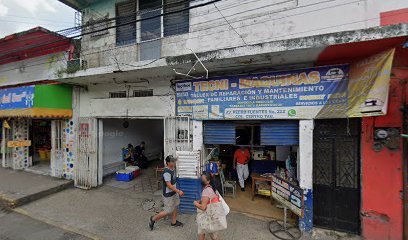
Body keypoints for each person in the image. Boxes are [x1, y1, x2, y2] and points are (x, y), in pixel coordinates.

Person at [149, 156, 184, 230]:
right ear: (168, 163)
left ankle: (173, 222)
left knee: (175, 206)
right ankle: (153, 219)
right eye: (172, 161)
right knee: (168, 211)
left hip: (174, 192)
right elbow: (169, 185)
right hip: (168, 194)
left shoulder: (172, 168)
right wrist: (178, 191)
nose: (174, 163)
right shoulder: (166, 172)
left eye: (174, 161)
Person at [194, 172, 221, 240]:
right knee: (211, 234)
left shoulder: (206, 190)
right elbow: (208, 199)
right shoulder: (211, 187)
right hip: (212, 214)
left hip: (207, 215)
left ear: (208, 181)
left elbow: (203, 207)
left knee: (203, 232)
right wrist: (201, 201)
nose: (201, 179)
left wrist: (196, 203)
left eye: (202, 178)